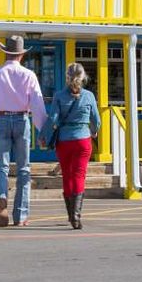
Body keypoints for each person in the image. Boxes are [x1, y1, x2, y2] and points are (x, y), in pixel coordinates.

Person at [0, 35, 47, 227]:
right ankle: (21, 215)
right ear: (21, 55)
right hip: (22, 120)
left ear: (5, 53)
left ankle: (1, 199)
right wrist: (43, 132)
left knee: (1, 167)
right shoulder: (29, 75)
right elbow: (38, 105)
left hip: (2, 119)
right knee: (24, 169)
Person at [40, 63, 100, 230]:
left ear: (67, 77)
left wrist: (42, 136)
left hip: (64, 141)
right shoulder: (89, 96)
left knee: (67, 175)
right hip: (83, 140)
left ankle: (70, 215)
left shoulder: (59, 96)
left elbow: (52, 119)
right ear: (83, 77)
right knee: (79, 176)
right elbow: (96, 120)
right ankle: (76, 217)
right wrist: (93, 132)